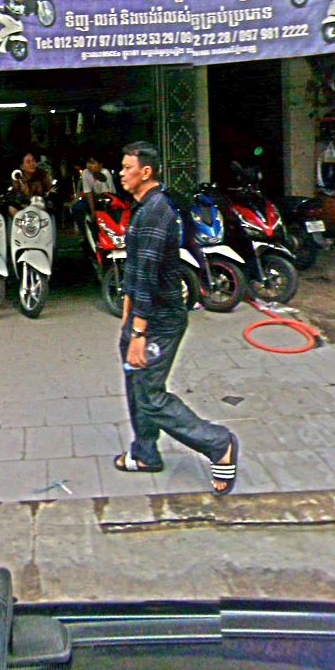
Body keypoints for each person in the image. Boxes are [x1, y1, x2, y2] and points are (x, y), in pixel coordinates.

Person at [114, 140, 239, 496]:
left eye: (127, 168)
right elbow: (135, 269)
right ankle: (145, 453)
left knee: (150, 395)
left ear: (145, 172)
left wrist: (139, 333)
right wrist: (128, 318)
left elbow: (149, 273)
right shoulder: (144, 206)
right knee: (137, 385)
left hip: (159, 321)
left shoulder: (156, 211)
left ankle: (218, 443)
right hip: (142, 317)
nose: (121, 174)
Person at [71, 154, 115, 240]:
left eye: (93, 163)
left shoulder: (105, 173)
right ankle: (86, 235)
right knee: (77, 208)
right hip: (93, 200)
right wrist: (92, 211)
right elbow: (89, 193)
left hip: (106, 200)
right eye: (88, 162)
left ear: (100, 165)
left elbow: (108, 193)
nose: (89, 165)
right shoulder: (85, 173)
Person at [9, 151, 52, 217]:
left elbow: (50, 191)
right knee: (11, 208)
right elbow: (15, 196)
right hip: (24, 206)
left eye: (33, 161)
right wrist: (22, 192)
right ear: (22, 167)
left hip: (40, 205)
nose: (32, 164)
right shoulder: (18, 177)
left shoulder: (43, 175)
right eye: (28, 162)